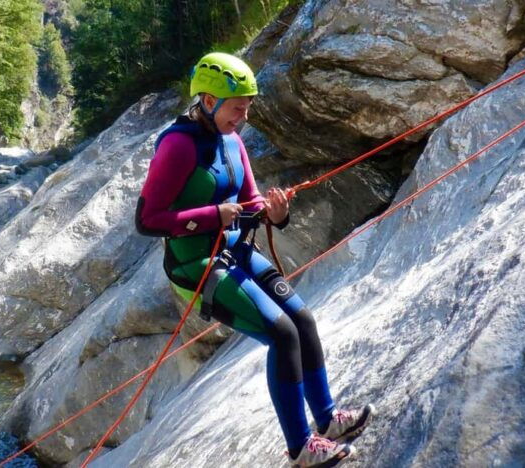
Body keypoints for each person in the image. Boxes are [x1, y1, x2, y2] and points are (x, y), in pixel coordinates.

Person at [135, 52, 375, 467]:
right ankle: (301, 447)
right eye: (237, 108)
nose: (243, 117)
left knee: (303, 321)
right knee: (282, 334)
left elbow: (250, 202)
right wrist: (212, 215)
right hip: (198, 265)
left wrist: (276, 212)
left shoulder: (232, 141)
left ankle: (328, 419)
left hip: (236, 249)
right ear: (208, 101)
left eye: (247, 108)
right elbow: (147, 220)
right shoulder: (177, 146)